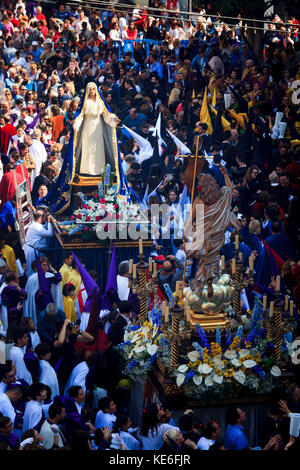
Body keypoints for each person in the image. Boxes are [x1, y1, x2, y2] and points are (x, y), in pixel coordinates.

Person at [73, 82, 119, 176]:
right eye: (90, 89)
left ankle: (99, 170)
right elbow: (80, 116)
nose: (92, 91)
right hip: (87, 127)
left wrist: (113, 118)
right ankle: (86, 170)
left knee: (98, 147)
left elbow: (106, 114)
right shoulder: (85, 102)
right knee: (87, 148)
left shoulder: (100, 102)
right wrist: (76, 124)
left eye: (93, 89)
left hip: (98, 127)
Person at [23, 210, 55, 277]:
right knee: (32, 272)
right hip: (32, 251)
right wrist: (49, 221)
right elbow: (50, 233)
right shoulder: (36, 226)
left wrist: (47, 222)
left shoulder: (35, 224)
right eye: (45, 217)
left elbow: (44, 228)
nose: (46, 218)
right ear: (40, 218)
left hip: (32, 249)